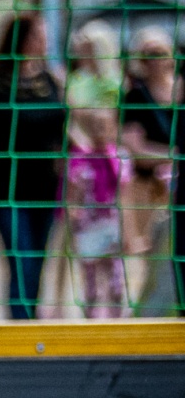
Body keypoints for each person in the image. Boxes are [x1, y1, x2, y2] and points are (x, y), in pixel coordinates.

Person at [0, 16, 67, 320]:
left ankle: (30, 325)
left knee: (37, 261)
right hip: (4, 188)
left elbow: (63, 135)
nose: (44, 42)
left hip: (44, 188)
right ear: (20, 39)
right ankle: (20, 328)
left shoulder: (50, 81)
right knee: (21, 260)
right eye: (38, 36)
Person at [64, 25, 128, 319]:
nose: (82, 53)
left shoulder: (116, 81)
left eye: (88, 47)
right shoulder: (76, 81)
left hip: (109, 216)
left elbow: (124, 189)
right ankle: (79, 312)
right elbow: (72, 121)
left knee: (113, 269)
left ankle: (116, 314)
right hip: (82, 160)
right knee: (84, 264)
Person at [120, 29, 177, 308]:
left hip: (177, 188)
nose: (152, 61)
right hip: (147, 187)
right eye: (146, 55)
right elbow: (135, 150)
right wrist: (174, 155)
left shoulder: (180, 90)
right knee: (149, 256)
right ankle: (149, 312)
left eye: (158, 53)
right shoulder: (135, 96)